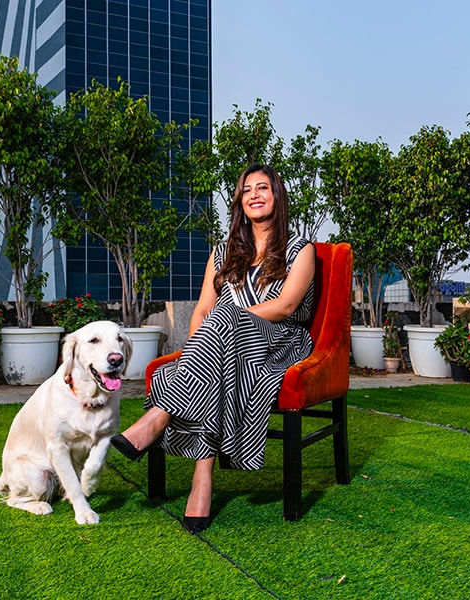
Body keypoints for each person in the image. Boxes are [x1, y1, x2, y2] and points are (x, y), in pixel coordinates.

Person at [110, 164, 316, 533]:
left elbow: (285, 306)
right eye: (247, 189)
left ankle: (157, 416)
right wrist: (198, 351)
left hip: (279, 344)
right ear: (239, 201)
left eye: (263, 188)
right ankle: (201, 480)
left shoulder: (300, 250)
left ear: (277, 196)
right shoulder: (222, 253)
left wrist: (223, 323)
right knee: (205, 349)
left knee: (223, 317)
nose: (254, 194)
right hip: (225, 346)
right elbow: (202, 309)